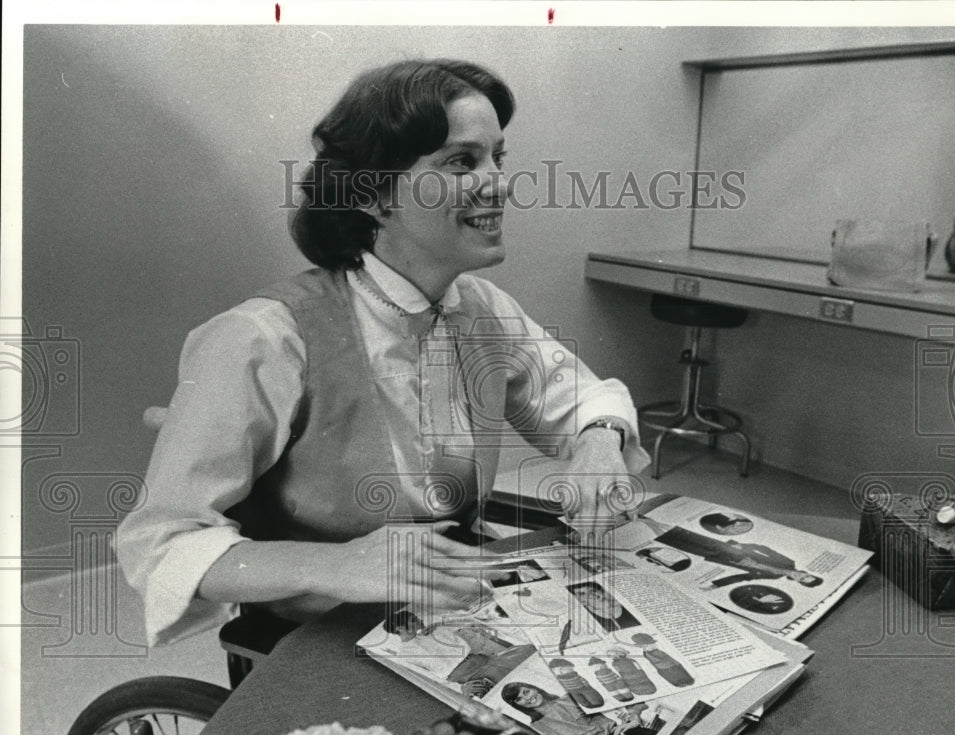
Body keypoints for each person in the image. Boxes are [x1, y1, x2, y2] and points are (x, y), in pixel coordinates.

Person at [115, 59, 649, 646]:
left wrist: (599, 441)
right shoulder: (263, 337)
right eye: (462, 162)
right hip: (323, 629)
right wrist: (339, 566)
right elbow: (159, 542)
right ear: (372, 196)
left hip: (455, 603)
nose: (498, 182)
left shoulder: (480, 307)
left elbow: (580, 395)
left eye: (500, 156)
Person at [500, 682, 656, 735]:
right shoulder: (537, 729)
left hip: (627, 734)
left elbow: (612, 711)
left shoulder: (571, 697)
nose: (527, 698)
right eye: (519, 698)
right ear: (517, 705)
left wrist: (631, 720)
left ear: (534, 689)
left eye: (526, 691)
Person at [656, 527, 824, 589]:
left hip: (722, 558)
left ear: (797, 582)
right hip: (731, 550)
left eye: (802, 579)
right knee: (686, 535)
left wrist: (716, 584)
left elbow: (744, 578)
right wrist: (742, 546)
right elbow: (765, 549)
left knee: (679, 544)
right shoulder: (788, 562)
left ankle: (649, 528)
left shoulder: (774, 576)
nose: (800, 576)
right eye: (805, 575)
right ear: (803, 572)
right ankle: (652, 521)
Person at [567, 582, 640, 633]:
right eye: (582, 593)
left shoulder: (624, 603)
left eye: (593, 590)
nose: (591, 594)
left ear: (600, 590)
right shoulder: (584, 617)